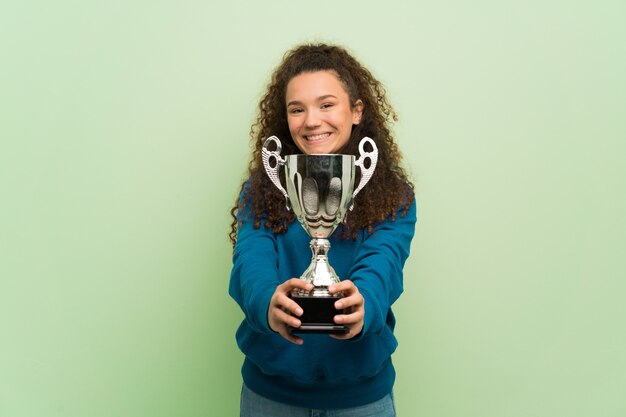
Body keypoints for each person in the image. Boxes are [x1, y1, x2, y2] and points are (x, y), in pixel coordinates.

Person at [228, 43, 416, 416]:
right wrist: (268, 302)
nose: (312, 121)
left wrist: (364, 303)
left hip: (361, 400)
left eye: (326, 104)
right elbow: (251, 260)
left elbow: (384, 263)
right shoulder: (261, 190)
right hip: (270, 398)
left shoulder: (393, 196)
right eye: (297, 109)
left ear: (357, 110)